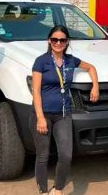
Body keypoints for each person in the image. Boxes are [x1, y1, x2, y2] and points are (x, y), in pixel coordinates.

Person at [31, 25, 99, 195]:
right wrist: (40, 117)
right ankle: (43, 191)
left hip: (63, 114)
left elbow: (91, 67)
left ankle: (58, 188)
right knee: (42, 156)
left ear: (67, 42)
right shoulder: (41, 61)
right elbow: (36, 90)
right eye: (55, 39)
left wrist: (95, 87)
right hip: (43, 114)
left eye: (62, 40)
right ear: (49, 41)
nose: (58, 43)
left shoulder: (70, 60)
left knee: (66, 155)